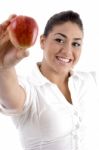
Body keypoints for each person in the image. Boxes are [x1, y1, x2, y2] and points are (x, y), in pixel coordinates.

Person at [0, 10, 99, 150]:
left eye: (76, 44)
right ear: (42, 41)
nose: (67, 51)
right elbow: (11, 99)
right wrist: (2, 67)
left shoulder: (90, 80)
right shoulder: (28, 90)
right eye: (59, 40)